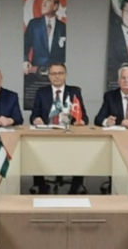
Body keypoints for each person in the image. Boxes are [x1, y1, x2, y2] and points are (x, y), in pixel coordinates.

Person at [30, 62, 88, 194]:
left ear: (65, 75)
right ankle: (40, 186)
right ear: (49, 76)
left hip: (69, 134)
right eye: (53, 73)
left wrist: (81, 121)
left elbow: (84, 116)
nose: (57, 76)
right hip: (47, 133)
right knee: (33, 150)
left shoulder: (74, 92)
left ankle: (75, 187)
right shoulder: (42, 92)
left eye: (60, 73)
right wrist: (36, 119)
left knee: (81, 151)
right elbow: (34, 115)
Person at [23, 0, 66, 74]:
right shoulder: (34, 24)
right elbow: (25, 45)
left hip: (57, 73)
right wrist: (25, 61)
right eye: (43, 1)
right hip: (37, 71)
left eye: (48, 1)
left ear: (55, 6)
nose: (43, 4)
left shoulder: (63, 27)